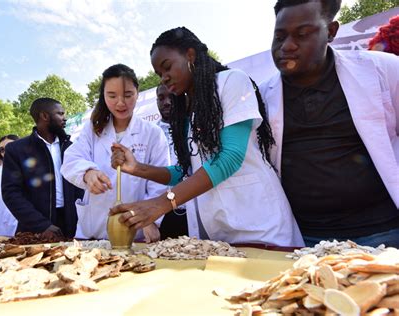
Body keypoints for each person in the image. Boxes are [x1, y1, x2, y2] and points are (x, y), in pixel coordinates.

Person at [110, 27, 304, 247]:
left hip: (260, 223)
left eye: (167, 67)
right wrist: (137, 168)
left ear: (190, 55)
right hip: (220, 232)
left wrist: (161, 203)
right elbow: (186, 171)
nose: (164, 78)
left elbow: (230, 157)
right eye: (159, 74)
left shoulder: (232, 81)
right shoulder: (186, 110)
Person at [259, 0, 399, 247]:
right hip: (305, 239)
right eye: (279, 37)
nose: (287, 46)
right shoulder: (262, 96)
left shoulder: (383, 70)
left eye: (302, 34)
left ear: (331, 32)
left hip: (385, 234)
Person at [61, 64, 168, 242]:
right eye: (112, 96)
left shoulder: (152, 134)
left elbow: (159, 182)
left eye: (128, 95)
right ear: (103, 96)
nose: (120, 103)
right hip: (93, 230)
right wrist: (88, 173)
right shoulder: (92, 129)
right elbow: (71, 159)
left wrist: (151, 218)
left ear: (137, 93)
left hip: (135, 230)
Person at [2, 98, 83, 238]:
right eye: (60, 114)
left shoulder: (72, 148)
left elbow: (80, 188)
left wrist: (80, 220)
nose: (65, 118)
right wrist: (41, 225)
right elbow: (11, 193)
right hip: (35, 230)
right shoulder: (17, 149)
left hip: (72, 227)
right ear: (44, 116)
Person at [156, 84, 188, 239]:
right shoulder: (151, 134)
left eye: (171, 97)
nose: (166, 102)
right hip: (161, 211)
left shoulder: (193, 128)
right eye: (161, 98)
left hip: (192, 208)